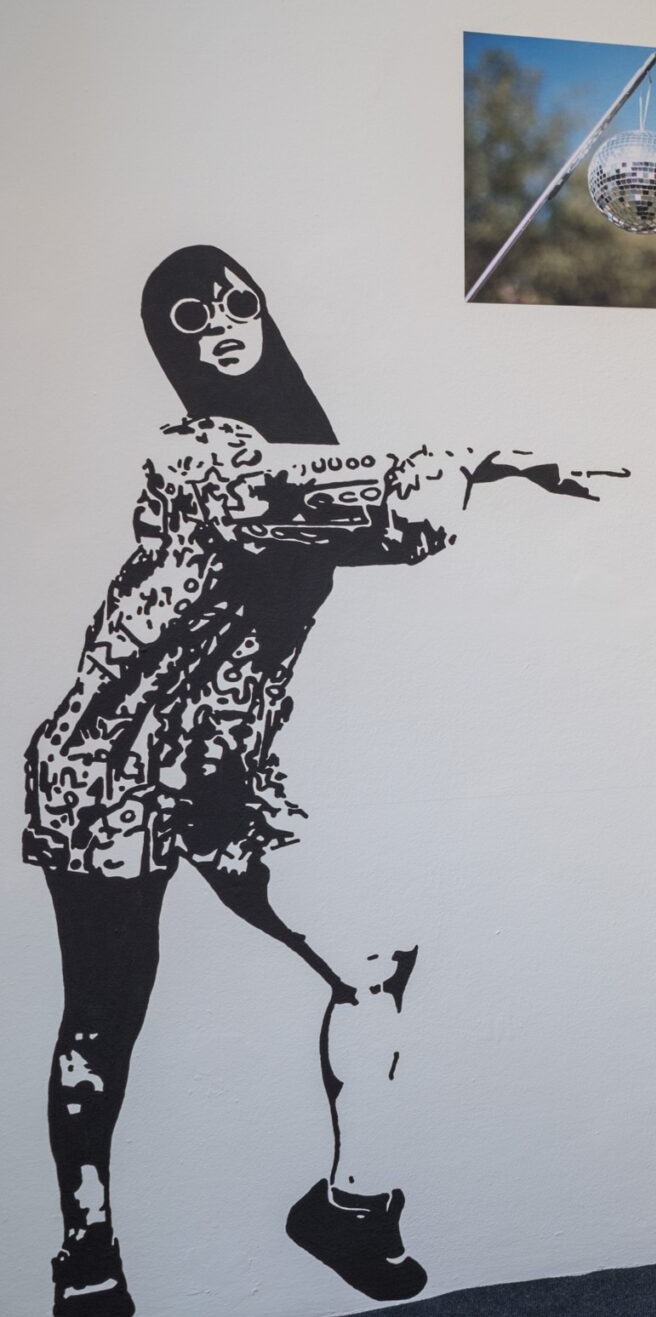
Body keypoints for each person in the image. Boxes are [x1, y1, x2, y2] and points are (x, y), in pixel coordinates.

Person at [26, 246, 621, 1316]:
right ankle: (87, 1246)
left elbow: (372, 502)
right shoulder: (195, 456)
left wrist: (488, 465)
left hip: (225, 770)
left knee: (374, 957)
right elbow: (358, 505)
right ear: (168, 346)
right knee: (106, 1012)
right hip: (110, 768)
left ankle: (349, 1204)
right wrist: (480, 461)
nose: (219, 325)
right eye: (188, 317)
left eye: (235, 302)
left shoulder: (301, 446)